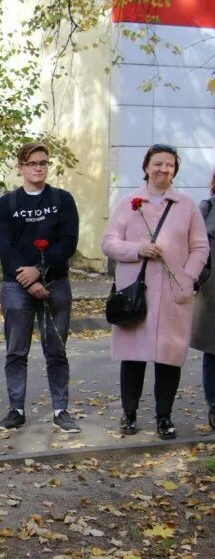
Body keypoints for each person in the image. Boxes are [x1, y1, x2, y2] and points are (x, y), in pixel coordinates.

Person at [103, 145, 208, 439]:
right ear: (147, 166)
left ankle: (165, 418)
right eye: (158, 163)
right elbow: (109, 243)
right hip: (137, 293)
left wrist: (188, 277)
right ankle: (129, 415)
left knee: (168, 357)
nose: (164, 169)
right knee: (133, 357)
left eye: (170, 165)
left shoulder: (186, 205)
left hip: (174, 293)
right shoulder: (129, 203)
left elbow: (200, 247)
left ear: (175, 169)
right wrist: (137, 249)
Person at [0, 142, 81, 433]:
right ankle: (16, 409)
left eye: (43, 162)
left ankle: (60, 410)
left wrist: (40, 272)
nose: (39, 168)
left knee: (56, 350)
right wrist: (28, 280)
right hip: (17, 287)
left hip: (55, 283)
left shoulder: (62, 200)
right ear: (20, 167)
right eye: (32, 163)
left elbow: (68, 242)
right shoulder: (7, 204)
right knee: (16, 351)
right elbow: (4, 247)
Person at [191, 170, 215, 431]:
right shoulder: (207, 208)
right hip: (213, 291)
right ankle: (213, 405)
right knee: (213, 351)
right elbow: (194, 245)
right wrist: (201, 277)